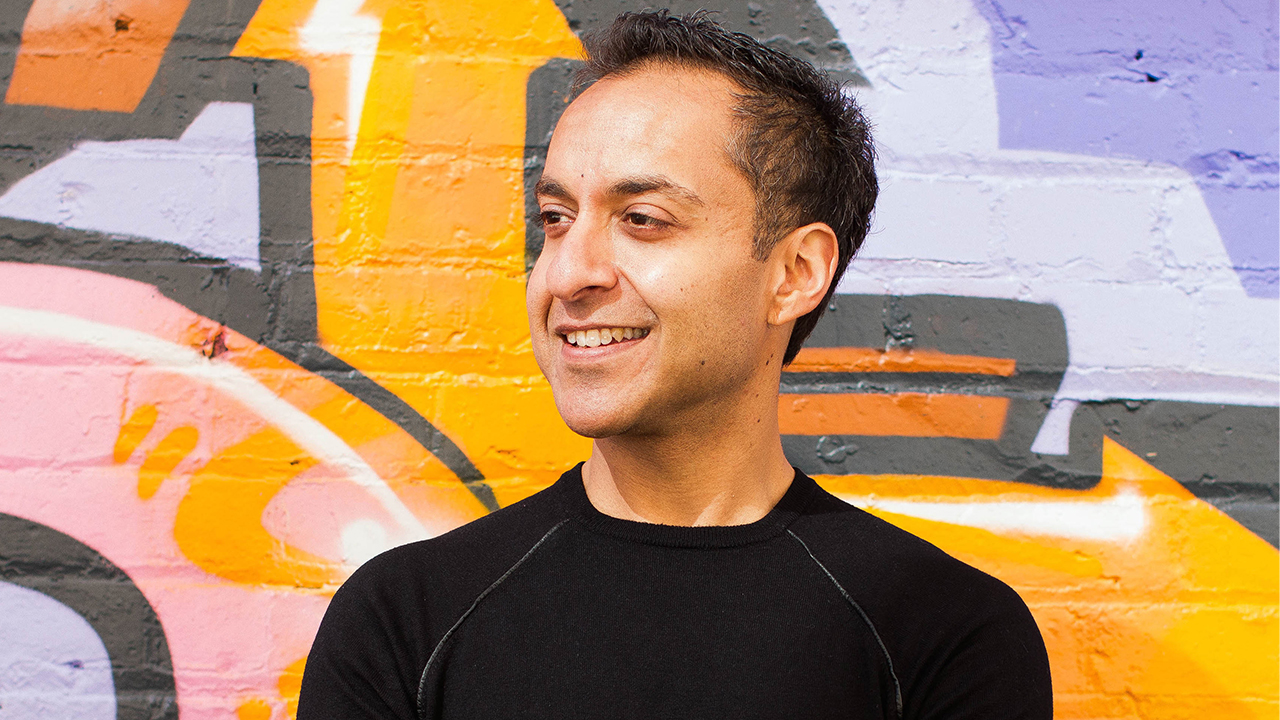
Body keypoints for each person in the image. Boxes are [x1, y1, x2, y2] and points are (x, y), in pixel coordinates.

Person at [297, 10, 1053, 720]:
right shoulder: (405, 621)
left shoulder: (941, 634)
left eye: (642, 220)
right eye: (555, 219)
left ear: (794, 274)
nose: (569, 274)